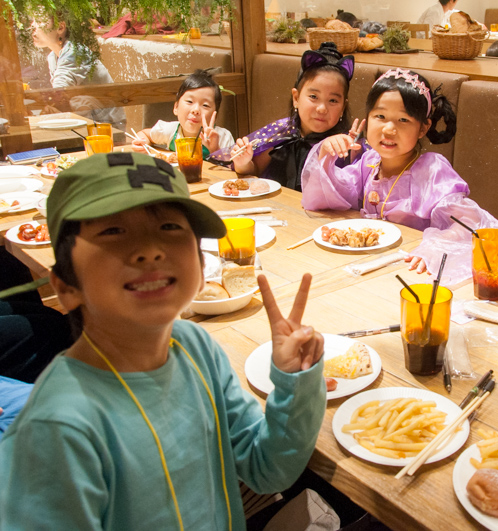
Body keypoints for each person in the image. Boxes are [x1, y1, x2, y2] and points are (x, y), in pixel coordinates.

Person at [0, 153, 327, 529]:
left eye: (170, 226)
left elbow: (266, 468)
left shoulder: (195, 347)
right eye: (114, 231)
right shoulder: (55, 429)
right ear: (65, 287)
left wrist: (293, 382)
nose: (151, 250)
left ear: (202, 266)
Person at [301, 68, 498, 284]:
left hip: (413, 271)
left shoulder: (432, 171)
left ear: (423, 128)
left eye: (403, 120)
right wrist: (326, 154)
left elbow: (471, 223)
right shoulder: (370, 161)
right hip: (367, 266)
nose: (388, 129)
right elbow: (330, 196)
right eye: (380, 116)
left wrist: (435, 247)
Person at [210, 43, 355, 191]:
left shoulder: (346, 146)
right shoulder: (281, 131)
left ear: (343, 107)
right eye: (313, 96)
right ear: (296, 98)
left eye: (333, 100)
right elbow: (254, 172)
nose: (322, 108)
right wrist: (243, 163)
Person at [30, 16, 126, 130]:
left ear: (60, 27)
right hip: (83, 120)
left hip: (106, 127)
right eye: (33, 21)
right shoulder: (52, 56)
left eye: (39, 20)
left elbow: (58, 93)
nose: (32, 26)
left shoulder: (75, 52)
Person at [133, 69, 235, 158]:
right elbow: (144, 134)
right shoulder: (171, 130)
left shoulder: (223, 137)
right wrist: (142, 143)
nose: (195, 110)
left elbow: (232, 168)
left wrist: (215, 150)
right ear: (176, 107)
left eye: (205, 105)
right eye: (190, 101)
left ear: (215, 116)